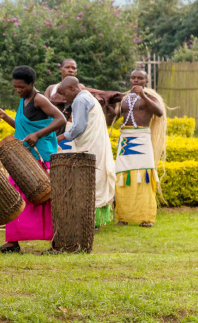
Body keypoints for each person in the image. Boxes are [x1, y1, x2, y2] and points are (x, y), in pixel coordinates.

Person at [0, 66, 65, 253]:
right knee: (15, 198)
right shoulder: (24, 100)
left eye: (22, 87)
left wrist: (38, 134)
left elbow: (61, 119)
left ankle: (57, 242)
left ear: (32, 83)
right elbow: (22, 129)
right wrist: (5, 116)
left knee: (46, 200)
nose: (18, 90)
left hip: (40, 158)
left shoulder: (40, 99)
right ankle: (12, 242)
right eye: (15, 87)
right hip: (23, 158)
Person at [56, 76, 117, 228]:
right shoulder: (87, 96)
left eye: (64, 94)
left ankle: (90, 221)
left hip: (89, 147)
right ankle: (93, 220)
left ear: (72, 88)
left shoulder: (80, 100)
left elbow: (78, 127)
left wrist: (60, 137)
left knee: (88, 179)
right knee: (94, 178)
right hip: (95, 144)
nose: (64, 98)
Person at [115, 69, 166, 227]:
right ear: (130, 80)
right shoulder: (124, 99)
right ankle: (123, 216)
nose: (136, 81)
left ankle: (146, 217)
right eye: (133, 78)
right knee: (121, 175)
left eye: (140, 78)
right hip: (125, 139)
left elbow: (159, 112)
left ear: (146, 81)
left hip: (142, 138)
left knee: (145, 175)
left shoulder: (150, 97)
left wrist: (143, 95)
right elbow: (114, 116)